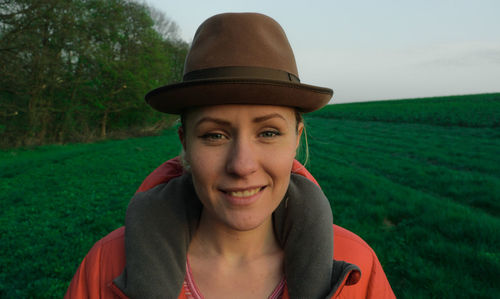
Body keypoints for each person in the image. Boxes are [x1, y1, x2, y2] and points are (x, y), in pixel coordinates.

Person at [65, 12, 395, 298]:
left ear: (296, 139)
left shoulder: (357, 267)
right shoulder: (104, 266)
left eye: (268, 133)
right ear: (185, 144)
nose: (241, 165)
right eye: (214, 135)